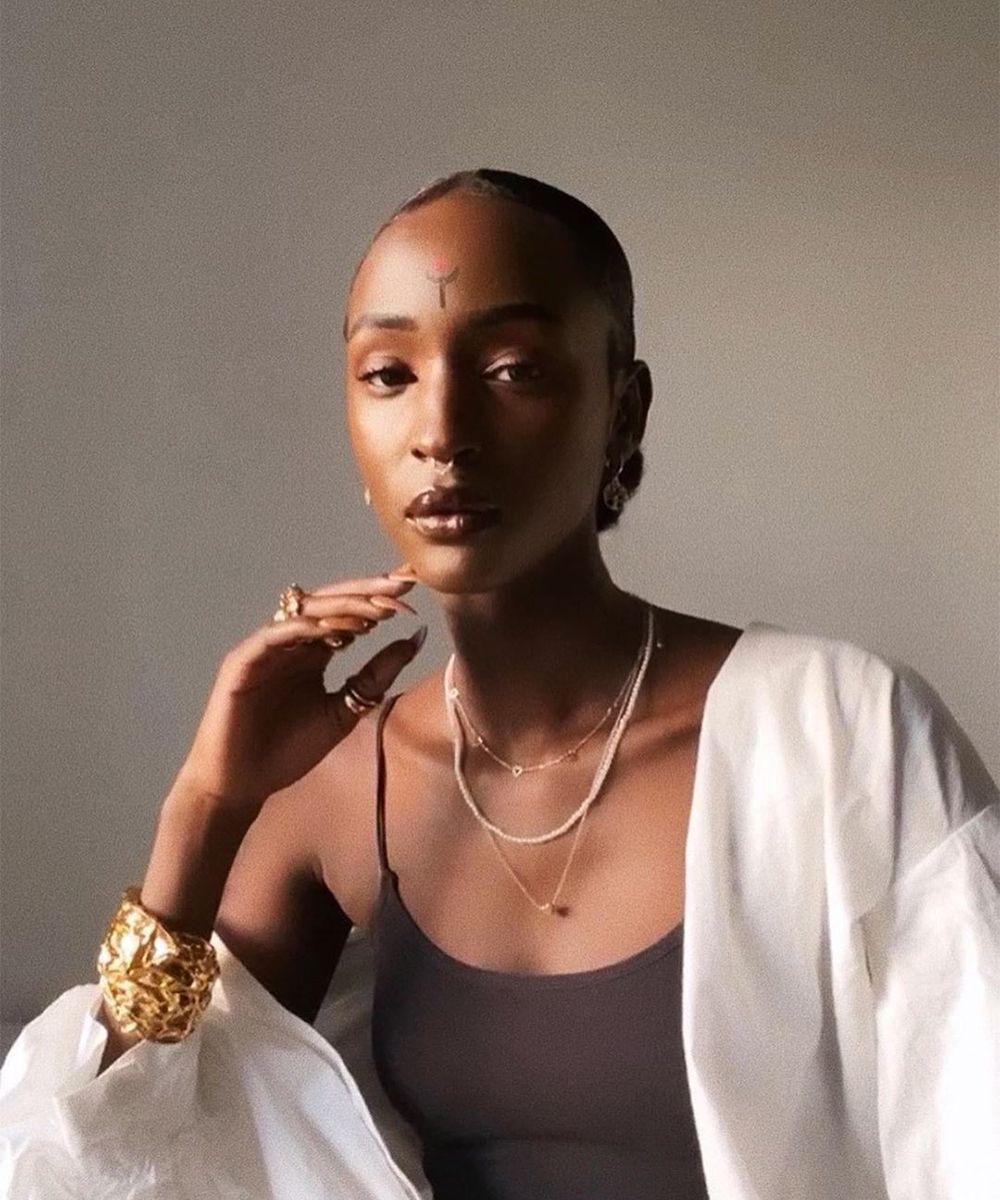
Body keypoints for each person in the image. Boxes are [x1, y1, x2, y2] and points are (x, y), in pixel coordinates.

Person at [2, 168, 998, 1200]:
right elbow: (106, 1163)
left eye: (514, 369)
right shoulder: (339, 791)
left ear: (622, 412)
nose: (441, 429)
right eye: (388, 374)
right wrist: (206, 807)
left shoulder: (845, 735)